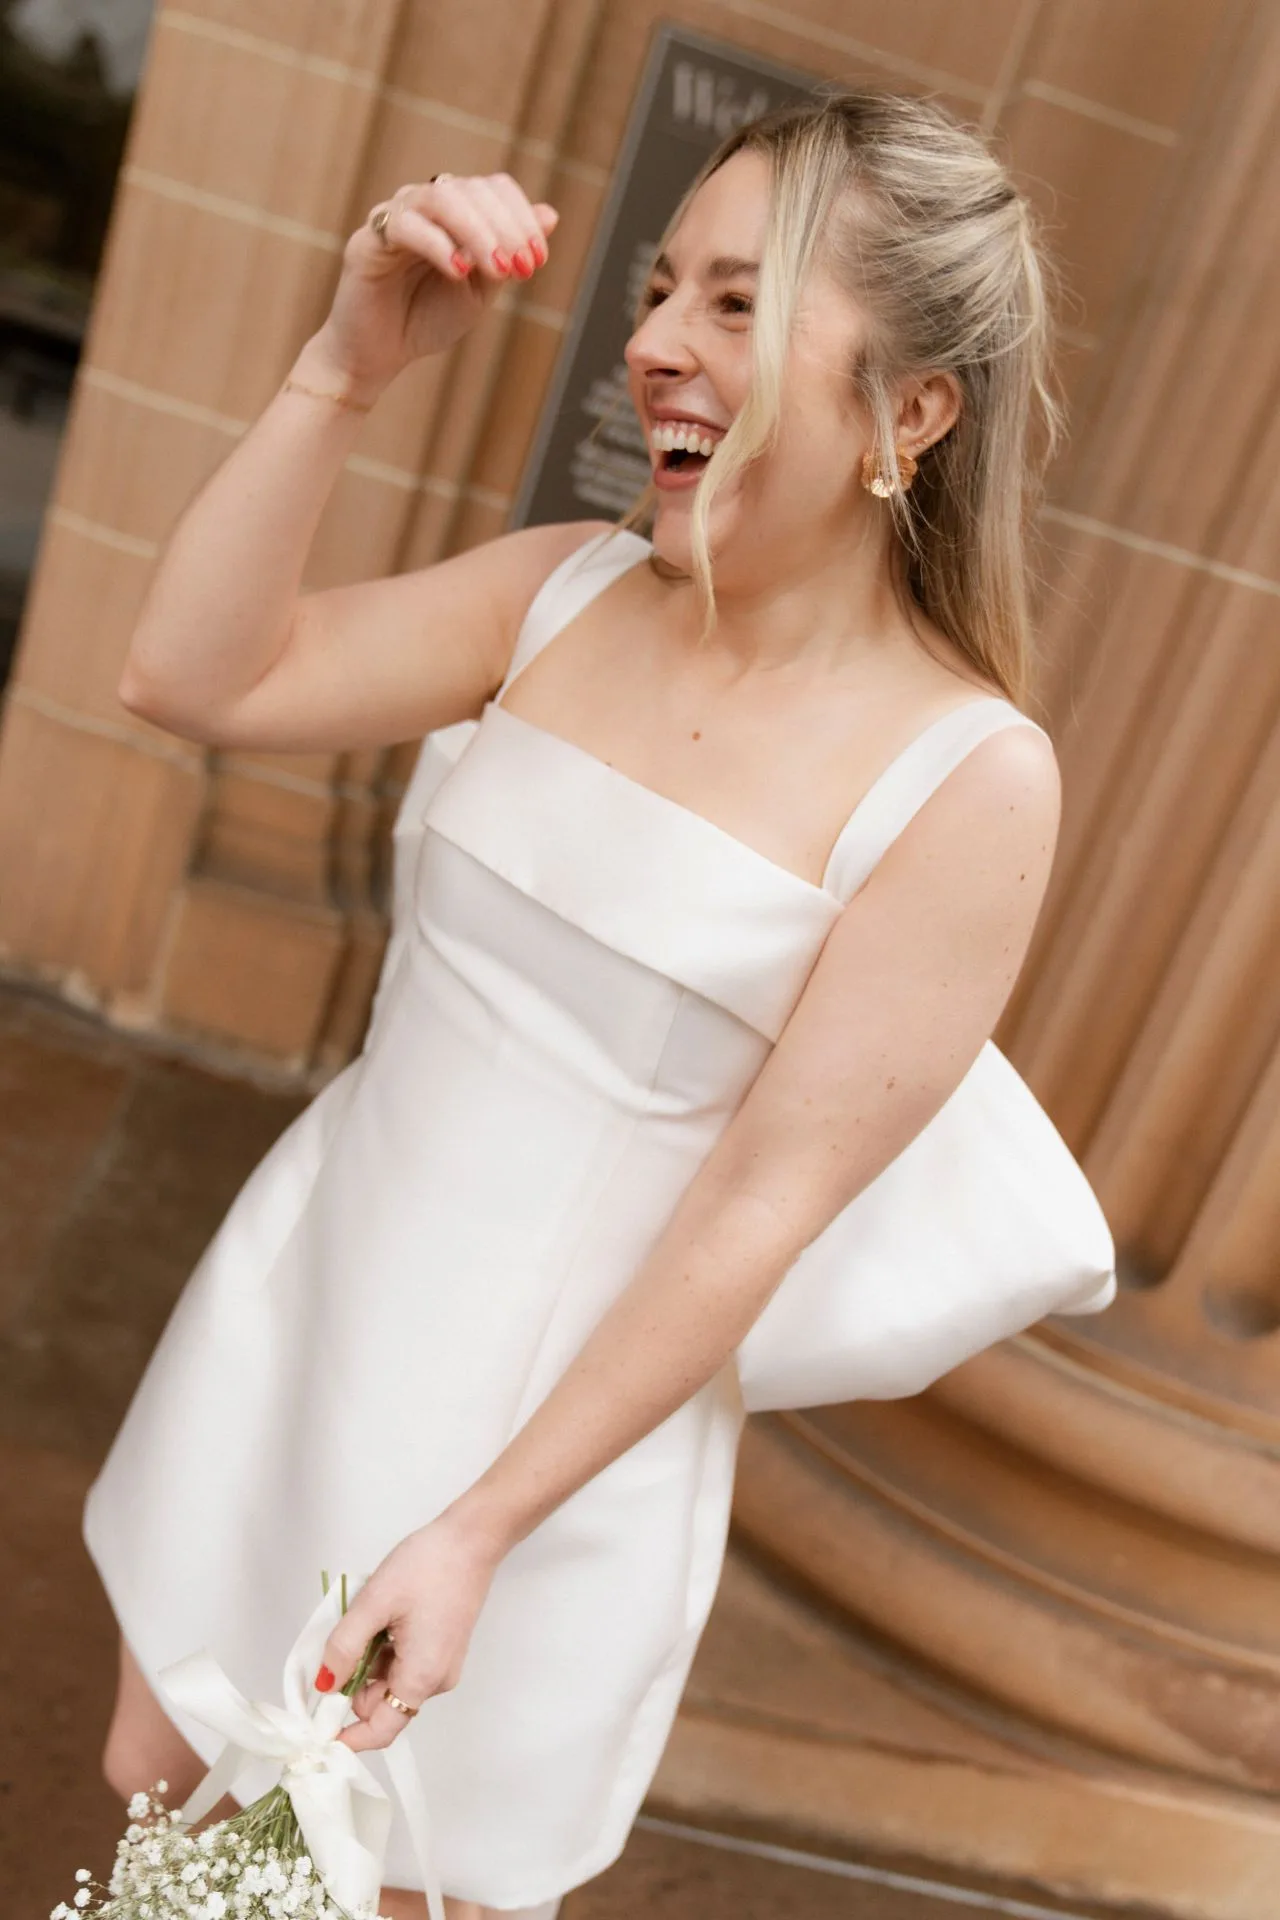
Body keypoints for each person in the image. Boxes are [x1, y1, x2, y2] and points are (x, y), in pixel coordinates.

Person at [83, 90, 1066, 1920]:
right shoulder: (556, 593)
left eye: (735, 303)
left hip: (540, 1454)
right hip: (307, 1300)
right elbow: (188, 671)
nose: (655, 342)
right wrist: (339, 370)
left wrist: (477, 1532)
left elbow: (764, 1202)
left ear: (913, 410)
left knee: (372, 1884)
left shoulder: (969, 783)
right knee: (162, 1820)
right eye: (657, 287)